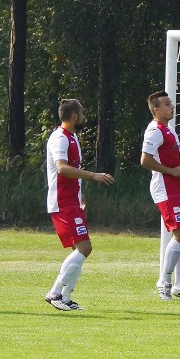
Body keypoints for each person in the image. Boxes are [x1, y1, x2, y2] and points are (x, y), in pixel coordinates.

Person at [44, 99, 115, 311]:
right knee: (85, 248)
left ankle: (65, 297)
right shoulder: (60, 138)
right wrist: (94, 176)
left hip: (72, 201)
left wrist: (81, 194)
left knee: (80, 249)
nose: (83, 116)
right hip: (62, 202)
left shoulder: (72, 136)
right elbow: (62, 169)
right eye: (81, 113)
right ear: (74, 116)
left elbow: (72, 172)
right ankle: (55, 292)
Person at [141, 91, 180, 301]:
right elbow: (145, 160)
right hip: (165, 188)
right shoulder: (154, 130)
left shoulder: (168, 131)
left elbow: (170, 153)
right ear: (156, 110)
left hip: (177, 187)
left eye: (170, 103)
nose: (171, 106)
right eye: (166, 104)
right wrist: (171, 171)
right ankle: (163, 281)